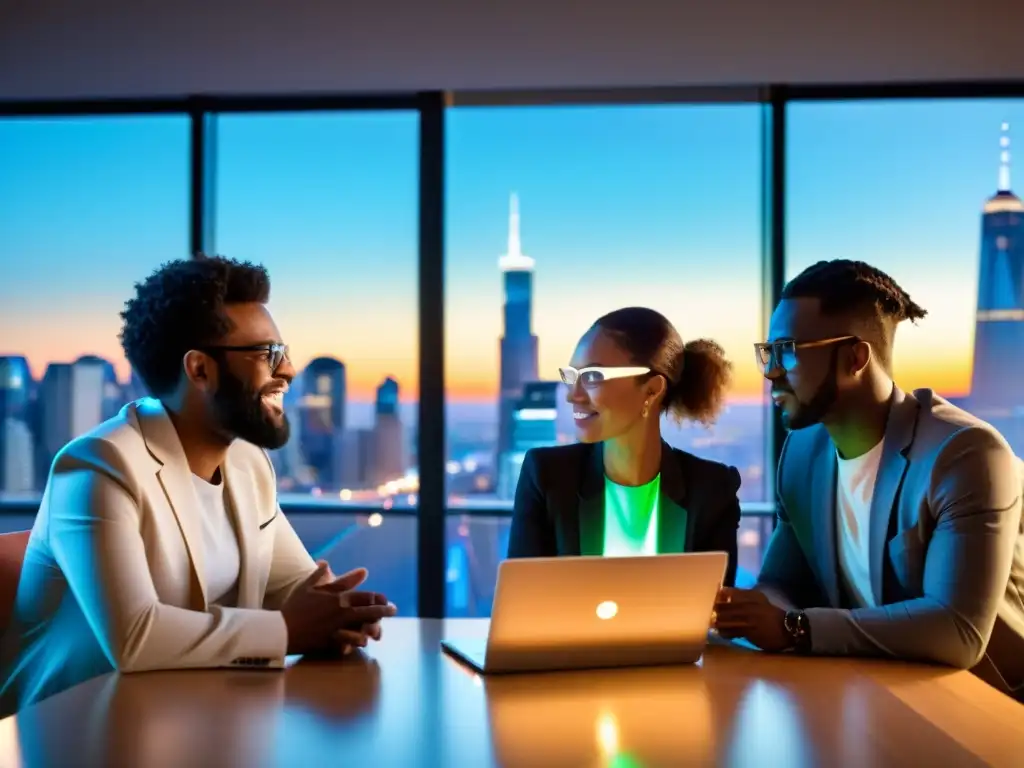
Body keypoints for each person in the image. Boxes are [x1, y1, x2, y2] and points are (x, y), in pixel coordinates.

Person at [0, 255, 396, 715]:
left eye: (283, 353)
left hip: (192, 718)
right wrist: (288, 630)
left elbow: (295, 586)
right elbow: (135, 637)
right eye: (268, 355)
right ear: (200, 370)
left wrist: (342, 611)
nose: (287, 371)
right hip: (71, 728)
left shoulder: (248, 463)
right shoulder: (96, 466)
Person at [714, 259, 1024, 701]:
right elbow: (782, 583)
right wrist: (748, 612)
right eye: (769, 351)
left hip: (991, 709)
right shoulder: (803, 453)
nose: (770, 372)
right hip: (879, 694)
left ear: (855, 357)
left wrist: (794, 628)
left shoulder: (964, 454)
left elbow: (958, 631)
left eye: (788, 350)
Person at [507, 307, 743, 586]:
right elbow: (525, 603)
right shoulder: (547, 476)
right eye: (572, 376)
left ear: (652, 389)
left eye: (593, 377)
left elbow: (712, 612)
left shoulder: (712, 489)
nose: (573, 395)